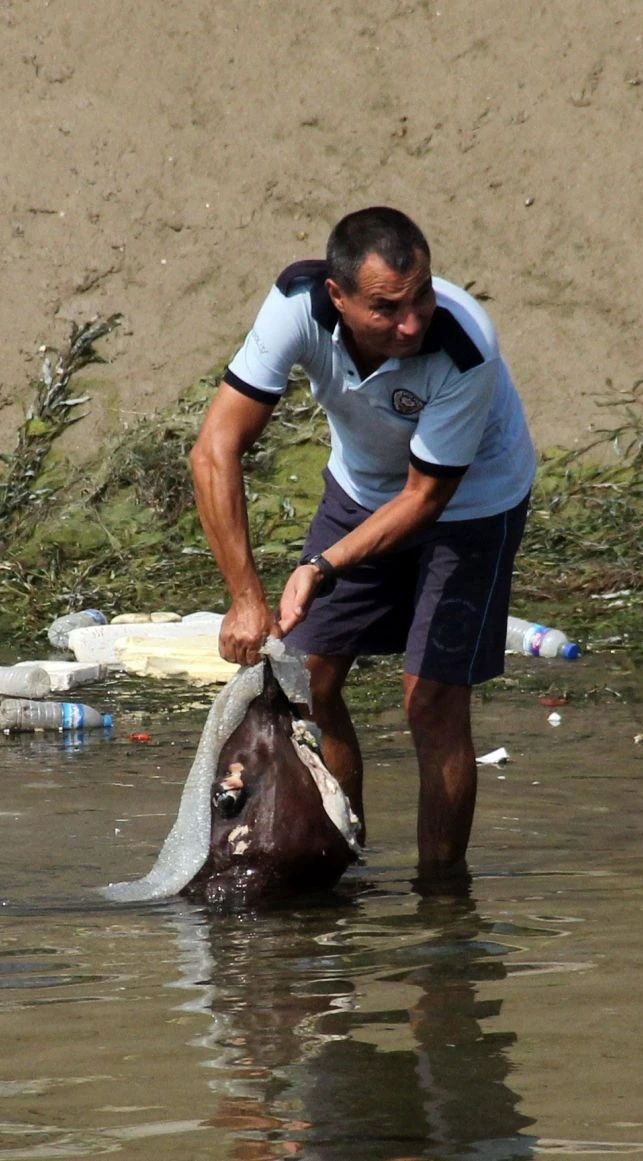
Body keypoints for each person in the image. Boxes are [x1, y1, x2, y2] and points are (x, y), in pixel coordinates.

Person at [189, 206, 536, 882]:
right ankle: (341, 863)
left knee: (430, 698)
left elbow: (425, 499)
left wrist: (320, 565)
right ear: (338, 298)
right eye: (386, 307)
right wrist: (244, 598)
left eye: (421, 296)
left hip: (472, 500)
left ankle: (440, 899)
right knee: (310, 679)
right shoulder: (296, 304)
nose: (411, 322)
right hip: (361, 487)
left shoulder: (464, 346)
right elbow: (214, 447)